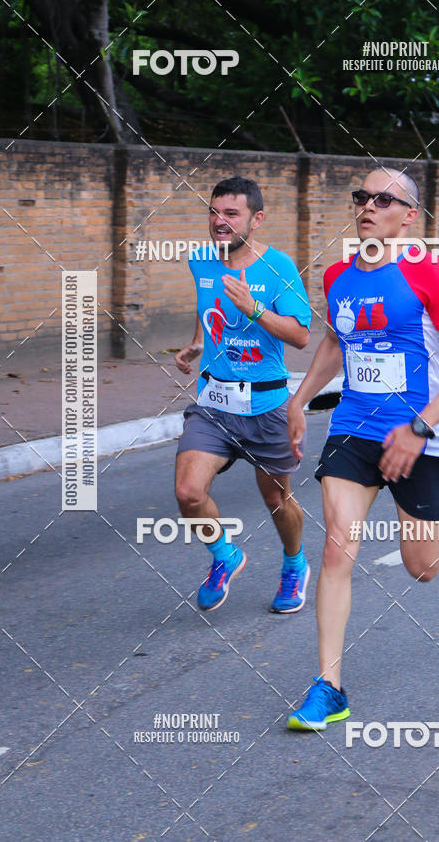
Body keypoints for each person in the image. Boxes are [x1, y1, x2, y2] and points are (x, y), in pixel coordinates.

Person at [286, 168, 439, 730]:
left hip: (422, 434)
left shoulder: (432, 273)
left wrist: (419, 428)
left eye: (383, 199)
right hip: (354, 427)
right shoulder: (339, 275)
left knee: (423, 567)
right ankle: (329, 687)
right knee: (336, 550)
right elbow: (335, 340)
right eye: (362, 197)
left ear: (409, 216)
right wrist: (300, 399)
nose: (368, 206)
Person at [174, 176, 312, 613]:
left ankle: (295, 564)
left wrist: (253, 309)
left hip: (267, 406)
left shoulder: (279, 268)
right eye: (214, 212)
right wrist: (198, 342)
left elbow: (301, 335)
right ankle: (225, 555)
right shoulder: (201, 260)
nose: (220, 221)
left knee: (276, 499)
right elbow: (208, 304)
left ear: (257, 219)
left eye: (231, 213)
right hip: (213, 405)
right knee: (188, 492)